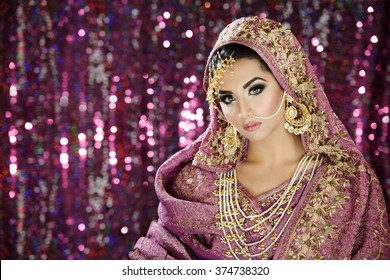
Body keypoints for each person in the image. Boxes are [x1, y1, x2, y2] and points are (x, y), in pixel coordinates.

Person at [129, 16, 390, 260]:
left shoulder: (348, 182)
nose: (244, 111)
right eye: (228, 98)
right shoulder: (196, 183)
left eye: (255, 89)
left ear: (288, 82)